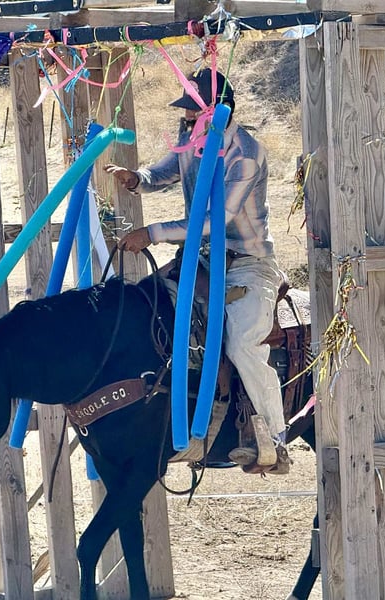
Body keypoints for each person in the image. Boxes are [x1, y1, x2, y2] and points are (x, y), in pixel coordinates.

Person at [105, 67, 290, 475]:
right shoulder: (194, 139)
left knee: (242, 343)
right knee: (146, 306)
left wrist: (152, 233)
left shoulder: (245, 154)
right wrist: (137, 179)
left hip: (247, 265)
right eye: (187, 110)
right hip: (202, 260)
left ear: (220, 111)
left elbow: (217, 219)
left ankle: (275, 439)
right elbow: (164, 171)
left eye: (194, 110)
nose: (186, 117)